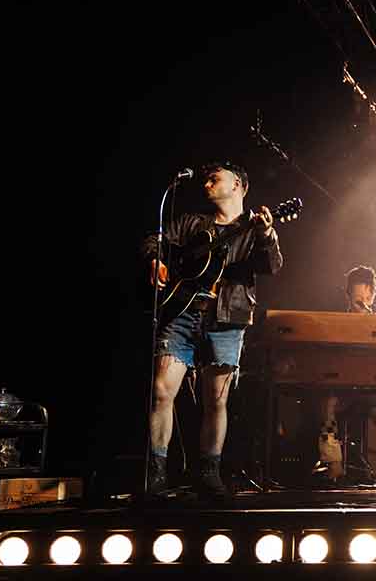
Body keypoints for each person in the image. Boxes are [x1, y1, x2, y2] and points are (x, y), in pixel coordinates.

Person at [143, 160, 283, 500]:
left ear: (238, 185)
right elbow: (154, 240)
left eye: (215, 178)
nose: (207, 183)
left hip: (226, 318)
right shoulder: (193, 223)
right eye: (206, 179)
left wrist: (266, 234)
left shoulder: (254, 229)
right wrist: (155, 259)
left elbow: (272, 265)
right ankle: (156, 472)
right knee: (162, 390)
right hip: (182, 313)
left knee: (215, 401)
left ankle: (209, 470)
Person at [315, 265, 376, 483]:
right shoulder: (336, 323)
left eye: (366, 297)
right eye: (357, 297)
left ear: (373, 295)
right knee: (327, 406)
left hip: (371, 389)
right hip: (342, 389)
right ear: (348, 296)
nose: (362, 302)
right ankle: (334, 462)